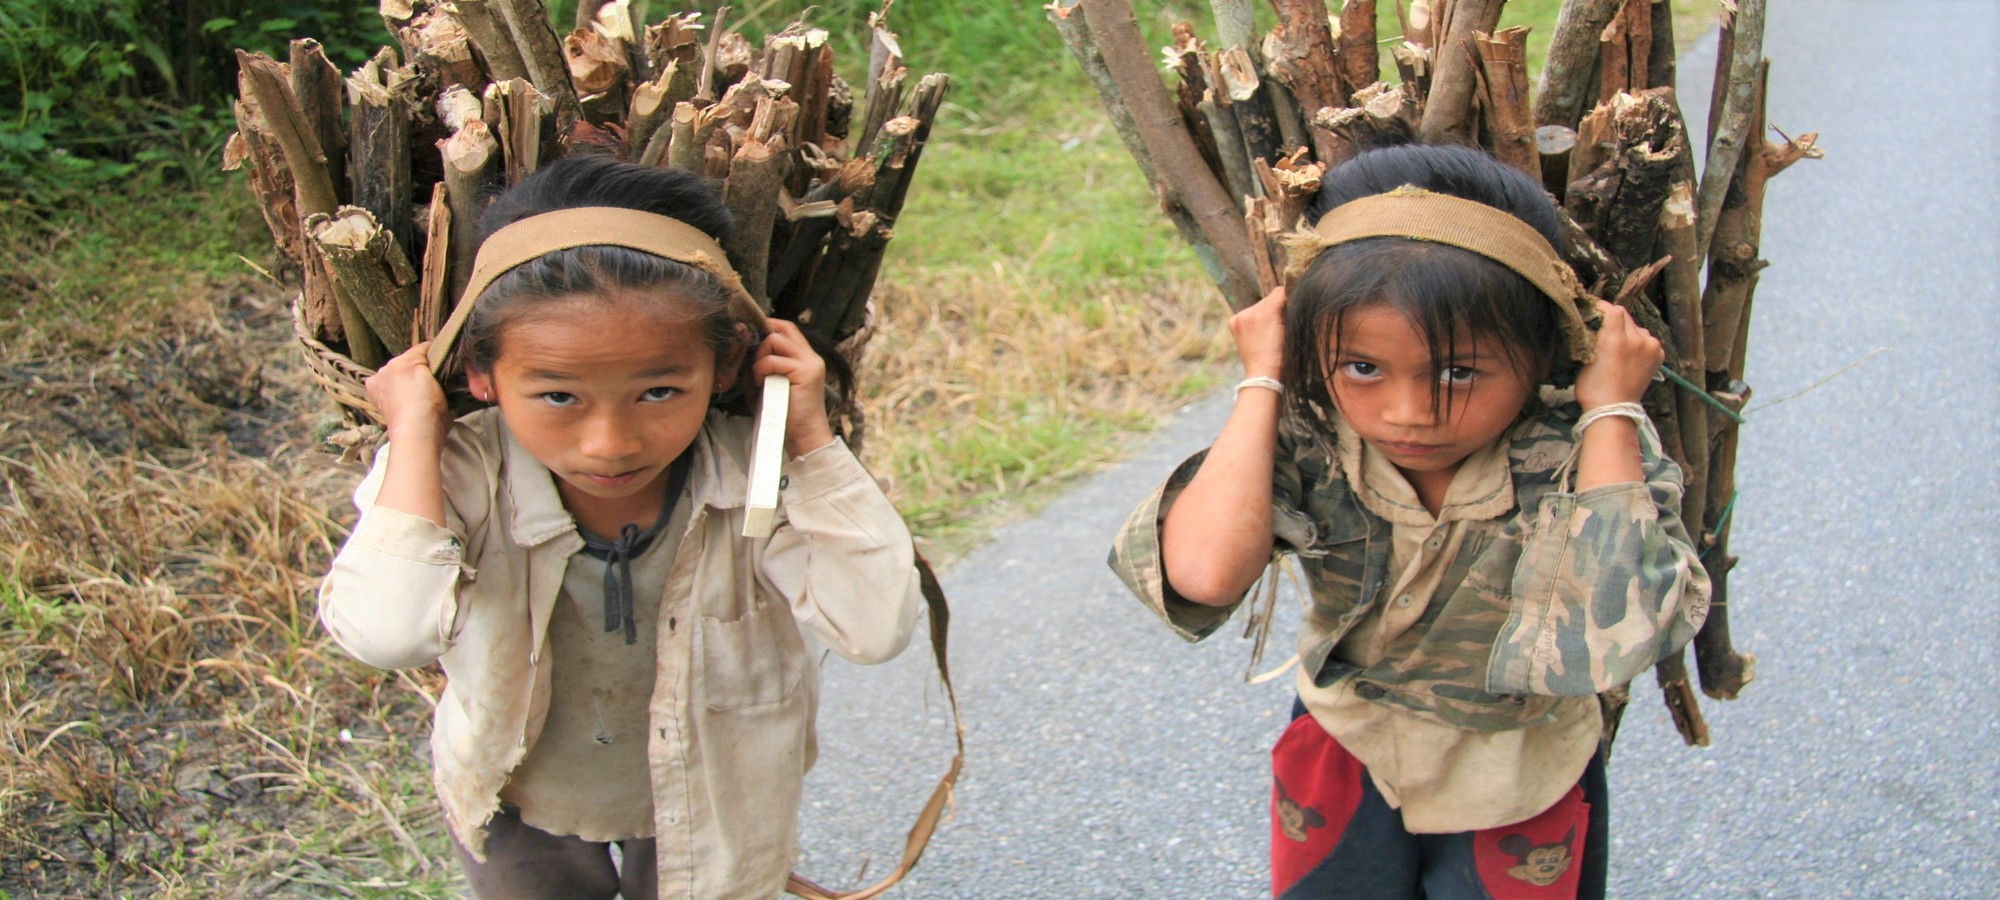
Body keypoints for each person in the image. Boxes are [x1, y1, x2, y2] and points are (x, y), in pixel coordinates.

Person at [1108, 144, 1711, 899]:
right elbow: (1203, 572)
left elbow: (1604, 642)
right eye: (1362, 367)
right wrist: (1263, 378)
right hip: (1345, 751)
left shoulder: (1582, 454)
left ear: (1542, 354)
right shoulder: (1312, 434)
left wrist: (1612, 407)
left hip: (1520, 776)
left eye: (1459, 371)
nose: (1408, 414)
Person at [319, 155, 922, 899]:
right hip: (517, 797)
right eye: (559, 396)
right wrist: (413, 427)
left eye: (659, 390)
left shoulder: (755, 474)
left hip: (719, 797)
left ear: (728, 366)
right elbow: (385, 633)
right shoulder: (459, 471)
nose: (611, 443)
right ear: (481, 375)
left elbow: (875, 628)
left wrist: (810, 439)